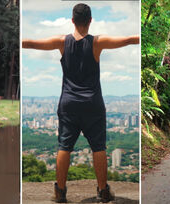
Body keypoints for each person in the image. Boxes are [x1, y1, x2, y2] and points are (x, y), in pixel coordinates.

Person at [23, 3, 139, 203]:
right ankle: (103, 192)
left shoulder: (62, 42)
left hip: (68, 103)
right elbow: (128, 39)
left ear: (72, 21)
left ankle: (60, 193)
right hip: (93, 103)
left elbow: (31, 43)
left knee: (64, 146)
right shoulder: (97, 42)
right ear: (91, 20)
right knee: (98, 147)